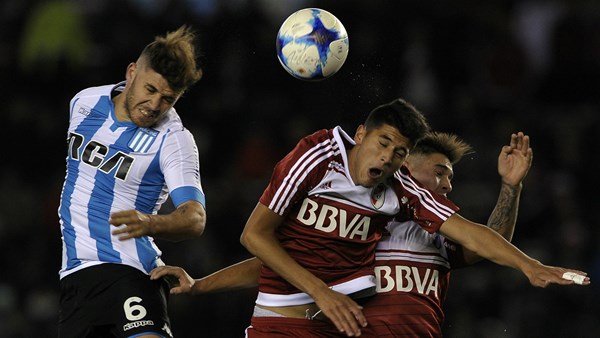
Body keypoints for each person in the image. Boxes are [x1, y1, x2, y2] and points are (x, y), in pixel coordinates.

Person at [153, 99, 589, 338]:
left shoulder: (423, 221)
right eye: (439, 172)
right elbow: (273, 251)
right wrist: (202, 285)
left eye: (397, 152)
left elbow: (482, 240)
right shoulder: (349, 193)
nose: (447, 185)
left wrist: (527, 258)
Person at [57, 25, 206, 338]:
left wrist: (150, 223)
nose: (155, 106)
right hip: (74, 278)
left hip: (129, 271)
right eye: (150, 90)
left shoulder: (174, 140)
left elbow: (194, 218)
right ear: (132, 72)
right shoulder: (84, 102)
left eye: (168, 98)